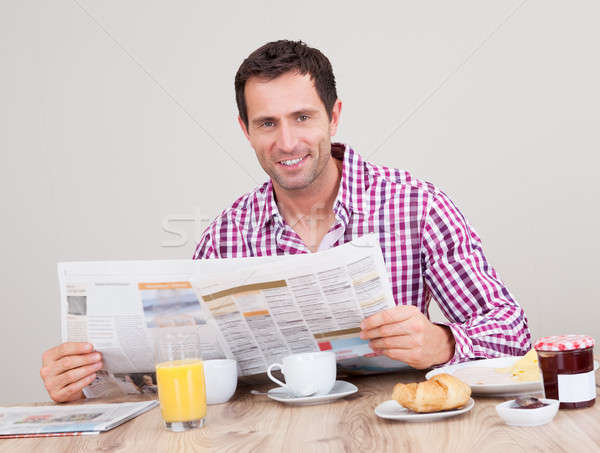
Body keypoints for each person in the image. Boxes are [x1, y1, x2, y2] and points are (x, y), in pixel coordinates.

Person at [40, 39, 531, 403]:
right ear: (245, 130)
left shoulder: (417, 204)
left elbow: (513, 332)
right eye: (267, 123)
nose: (287, 143)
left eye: (302, 117)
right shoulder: (226, 233)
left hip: (395, 425)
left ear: (333, 116)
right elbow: (181, 363)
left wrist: (442, 342)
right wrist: (84, 381)